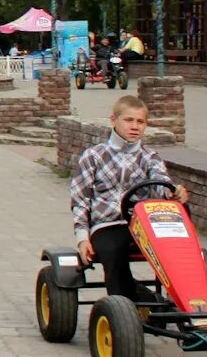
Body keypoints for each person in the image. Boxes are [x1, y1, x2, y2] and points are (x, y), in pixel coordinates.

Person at [69, 94, 190, 302]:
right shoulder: (94, 156)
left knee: (183, 252)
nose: (135, 126)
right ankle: (125, 308)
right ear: (113, 120)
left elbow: (161, 181)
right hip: (106, 225)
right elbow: (80, 199)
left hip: (142, 225)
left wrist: (173, 192)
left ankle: (192, 303)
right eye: (129, 120)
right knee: (114, 252)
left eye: (140, 121)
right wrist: (82, 238)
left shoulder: (149, 157)